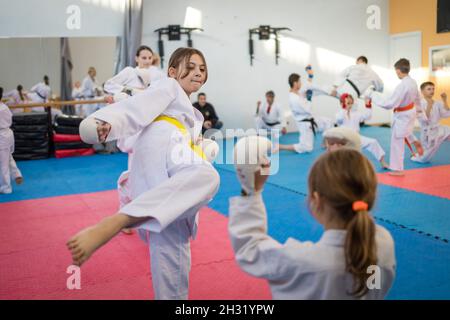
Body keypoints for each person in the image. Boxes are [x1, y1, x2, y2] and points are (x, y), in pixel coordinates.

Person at [67, 48, 220, 300]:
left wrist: (205, 148)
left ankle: (129, 203)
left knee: (173, 247)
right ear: (171, 71)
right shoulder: (168, 87)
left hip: (170, 163)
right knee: (207, 177)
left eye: (202, 69)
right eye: (190, 67)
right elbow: (137, 108)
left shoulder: (193, 115)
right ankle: (118, 220)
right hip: (162, 147)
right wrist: (109, 122)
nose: (197, 73)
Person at [229, 138, 396, 299]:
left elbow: (249, 249)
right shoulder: (384, 243)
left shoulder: (301, 262)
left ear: (316, 201)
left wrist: (251, 190)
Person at [366, 58, 423, 176]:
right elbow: (417, 98)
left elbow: (389, 104)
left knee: (397, 141)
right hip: (410, 112)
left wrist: (373, 95)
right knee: (405, 133)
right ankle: (414, 140)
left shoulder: (402, 85)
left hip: (402, 115)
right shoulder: (412, 82)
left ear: (398, 71)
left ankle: (398, 170)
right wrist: (419, 112)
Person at [275, 67, 333, 154]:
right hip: (305, 124)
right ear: (295, 83)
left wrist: (310, 75)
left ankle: (325, 143)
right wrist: (309, 98)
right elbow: (308, 109)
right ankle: (281, 147)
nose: (301, 83)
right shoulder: (294, 99)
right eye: (299, 82)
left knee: (329, 122)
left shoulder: (297, 92)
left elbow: (307, 85)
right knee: (307, 148)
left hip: (311, 119)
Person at [336, 94, 388, 168]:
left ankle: (382, 162)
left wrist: (368, 105)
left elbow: (367, 116)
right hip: (345, 140)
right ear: (342, 104)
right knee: (348, 157)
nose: (350, 105)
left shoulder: (355, 114)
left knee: (373, 142)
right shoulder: (340, 114)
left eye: (351, 103)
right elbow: (339, 119)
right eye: (348, 103)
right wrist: (344, 108)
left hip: (356, 137)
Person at [410, 82, 450, 163]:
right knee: (424, 159)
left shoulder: (437, 102)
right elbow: (425, 119)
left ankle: (420, 154)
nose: (432, 91)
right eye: (429, 89)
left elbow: (446, 114)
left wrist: (445, 100)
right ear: (422, 91)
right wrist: (429, 105)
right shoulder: (419, 104)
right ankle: (416, 156)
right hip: (428, 133)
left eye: (433, 89)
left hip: (439, 128)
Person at [0, 87, 24, 194]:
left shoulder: (2, 108)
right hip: (7, 135)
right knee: (8, 157)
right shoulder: (4, 106)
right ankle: (16, 174)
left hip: (3, 136)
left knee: (3, 163)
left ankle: (6, 187)